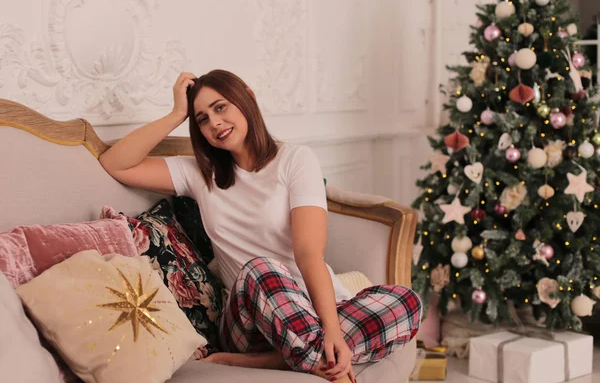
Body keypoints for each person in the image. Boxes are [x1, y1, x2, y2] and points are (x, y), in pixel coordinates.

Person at [99, 70, 422, 383]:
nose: (215, 123)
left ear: (248, 98)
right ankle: (311, 357)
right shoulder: (200, 173)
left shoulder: (296, 160)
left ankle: (284, 360)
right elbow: (115, 163)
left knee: (407, 302)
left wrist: (333, 331)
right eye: (202, 119)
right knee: (261, 270)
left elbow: (308, 252)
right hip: (250, 321)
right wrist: (175, 114)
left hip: (310, 311)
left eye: (220, 107)